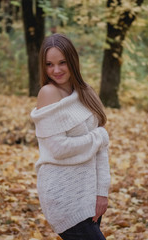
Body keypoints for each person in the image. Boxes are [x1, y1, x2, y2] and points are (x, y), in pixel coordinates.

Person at [30, 33, 111, 240]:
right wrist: (99, 136)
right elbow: (58, 148)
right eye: (49, 64)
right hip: (63, 195)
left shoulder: (85, 93)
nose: (56, 70)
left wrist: (102, 192)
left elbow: (101, 150)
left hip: (89, 193)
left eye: (62, 62)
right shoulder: (48, 93)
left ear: (72, 61)